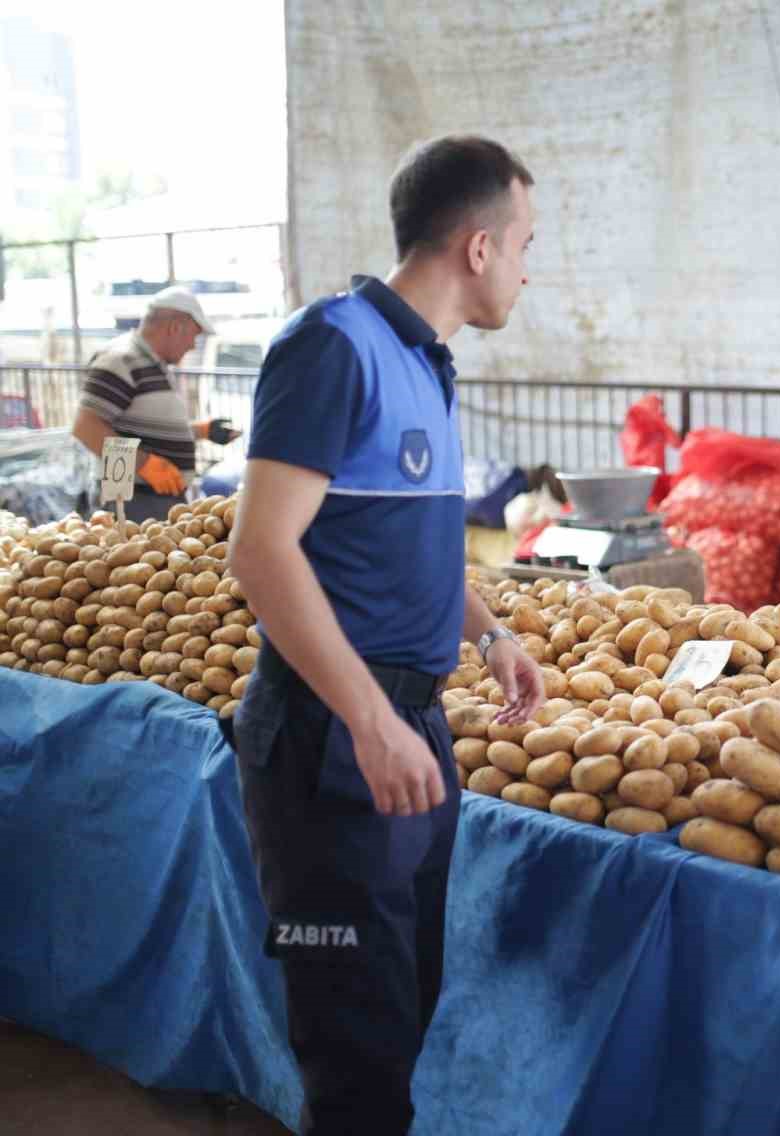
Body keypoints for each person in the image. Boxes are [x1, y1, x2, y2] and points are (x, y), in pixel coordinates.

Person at [225, 134, 546, 1135]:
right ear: (480, 245)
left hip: (411, 727)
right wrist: (366, 719)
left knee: (398, 1013)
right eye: (528, 244)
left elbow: (404, 544)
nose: (531, 269)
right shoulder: (332, 345)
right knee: (353, 1051)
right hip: (329, 745)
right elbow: (261, 550)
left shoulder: (425, 363)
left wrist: (488, 631)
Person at [71, 286, 241, 521]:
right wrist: (144, 464)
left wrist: (202, 431)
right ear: (175, 327)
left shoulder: (150, 362)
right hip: (133, 499)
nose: (193, 345)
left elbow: (141, 427)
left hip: (151, 498)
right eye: (194, 335)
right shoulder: (121, 359)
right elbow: (86, 427)